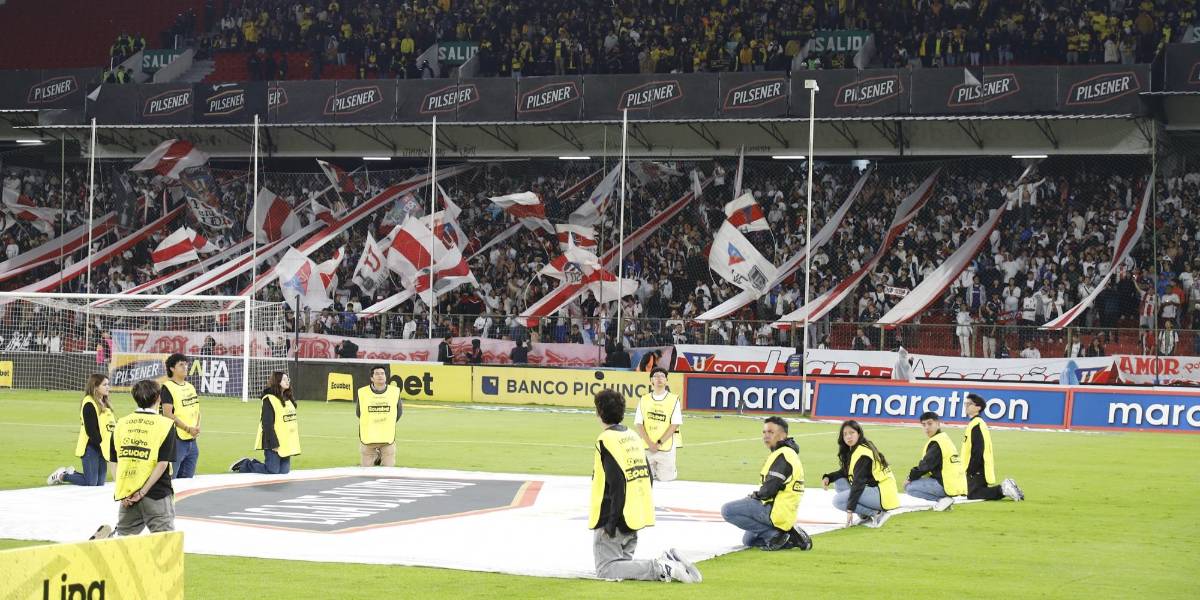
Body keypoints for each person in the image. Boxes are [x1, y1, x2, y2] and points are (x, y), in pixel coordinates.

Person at [589, 389, 700, 583]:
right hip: (635, 514)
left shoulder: (606, 439)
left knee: (606, 569)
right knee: (622, 568)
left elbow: (616, 483)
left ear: (599, 412)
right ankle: (671, 561)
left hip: (613, 515)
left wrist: (611, 522)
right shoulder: (632, 436)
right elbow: (647, 475)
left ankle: (661, 566)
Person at [720, 417, 813, 551]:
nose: (766, 436)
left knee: (728, 510)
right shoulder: (787, 453)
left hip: (776, 511)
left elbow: (770, 489)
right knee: (749, 540)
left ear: (782, 435)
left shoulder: (783, 455)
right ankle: (791, 537)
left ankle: (776, 536)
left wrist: (755, 496)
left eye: (770, 432)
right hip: (785, 512)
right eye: (764, 432)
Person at [109, 380, 178, 536]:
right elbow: (162, 464)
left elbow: (113, 461)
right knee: (164, 544)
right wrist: (142, 492)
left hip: (127, 495)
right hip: (156, 493)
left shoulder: (121, 423)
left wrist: (123, 492)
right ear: (158, 398)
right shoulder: (166, 424)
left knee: (124, 545)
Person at [821, 420, 900, 528]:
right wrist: (829, 477)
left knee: (838, 501)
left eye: (851, 433)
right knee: (839, 482)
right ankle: (864, 516)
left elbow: (858, 483)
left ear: (859, 433)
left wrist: (849, 509)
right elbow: (846, 472)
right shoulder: (855, 449)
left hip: (883, 494)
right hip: (877, 490)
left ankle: (877, 514)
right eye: (845, 434)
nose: (848, 437)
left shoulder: (863, 454)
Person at [48, 374, 116, 486]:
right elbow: (91, 432)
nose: (108, 387)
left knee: (99, 483)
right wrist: (103, 446)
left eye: (108, 384)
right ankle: (63, 475)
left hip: (103, 447)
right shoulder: (89, 403)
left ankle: (72, 472)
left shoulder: (105, 403)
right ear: (95, 387)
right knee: (91, 483)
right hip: (91, 447)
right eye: (105, 385)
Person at [231, 372, 300, 474]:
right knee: (272, 470)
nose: (287, 381)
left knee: (284, 471)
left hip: (286, 442)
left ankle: (254, 463)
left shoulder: (288, 399)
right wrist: (274, 444)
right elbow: (267, 424)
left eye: (287, 379)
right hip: (273, 441)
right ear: (277, 381)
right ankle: (246, 464)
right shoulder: (269, 399)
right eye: (284, 379)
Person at [963, 394, 1025, 501]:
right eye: (965, 403)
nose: (966, 406)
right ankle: (1007, 488)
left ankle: (1003, 489)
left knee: (973, 494)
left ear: (978, 408)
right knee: (972, 492)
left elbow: (978, 449)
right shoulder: (976, 423)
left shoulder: (976, 424)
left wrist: (971, 469)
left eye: (969, 404)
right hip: (978, 467)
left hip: (977, 468)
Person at [903, 411, 965, 511]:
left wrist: (909, 477)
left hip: (946, 485)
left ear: (938, 424)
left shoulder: (937, 443)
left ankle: (943, 499)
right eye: (924, 425)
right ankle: (945, 500)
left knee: (909, 487)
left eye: (930, 423)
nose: (927, 427)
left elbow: (925, 466)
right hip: (956, 484)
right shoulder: (944, 439)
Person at [633, 367, 682, 482]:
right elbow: (639, 424)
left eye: (662, 376)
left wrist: (659, 443)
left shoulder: (674, 399)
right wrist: (650, 443)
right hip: (647, 446)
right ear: (651, 380)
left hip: (665, 447)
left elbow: (674, 424)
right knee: (643, 478)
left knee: (666, 479)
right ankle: (653, 470)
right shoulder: (644, 399)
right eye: (656, 376)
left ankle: (670, 470)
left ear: (666, 380)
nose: (659, 378)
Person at [159, 353, 200, 478]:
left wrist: (197, 427)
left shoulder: (190, 387)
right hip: (176, 440)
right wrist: (188, 428)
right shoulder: (168, 388)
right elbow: (167, 414)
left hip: (192, 440)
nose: (185, 367)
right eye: (181, 365)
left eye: (186, 364)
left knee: (188, 480)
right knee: (172, 478)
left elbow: (197, 410)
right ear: (172, 368)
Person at [357, 365, 402, 467]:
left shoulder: (394, 392)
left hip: (387, 439)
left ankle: (379, 457)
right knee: (366, 472)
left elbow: (398, 413)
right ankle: (376, 457)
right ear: (372, 378)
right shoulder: (363, 392)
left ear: (386, 377)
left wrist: (386, 422)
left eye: (382, 373)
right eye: (377, 374)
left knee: (388, 471)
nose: (380, 376)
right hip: (368, 439)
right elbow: (359, 413)